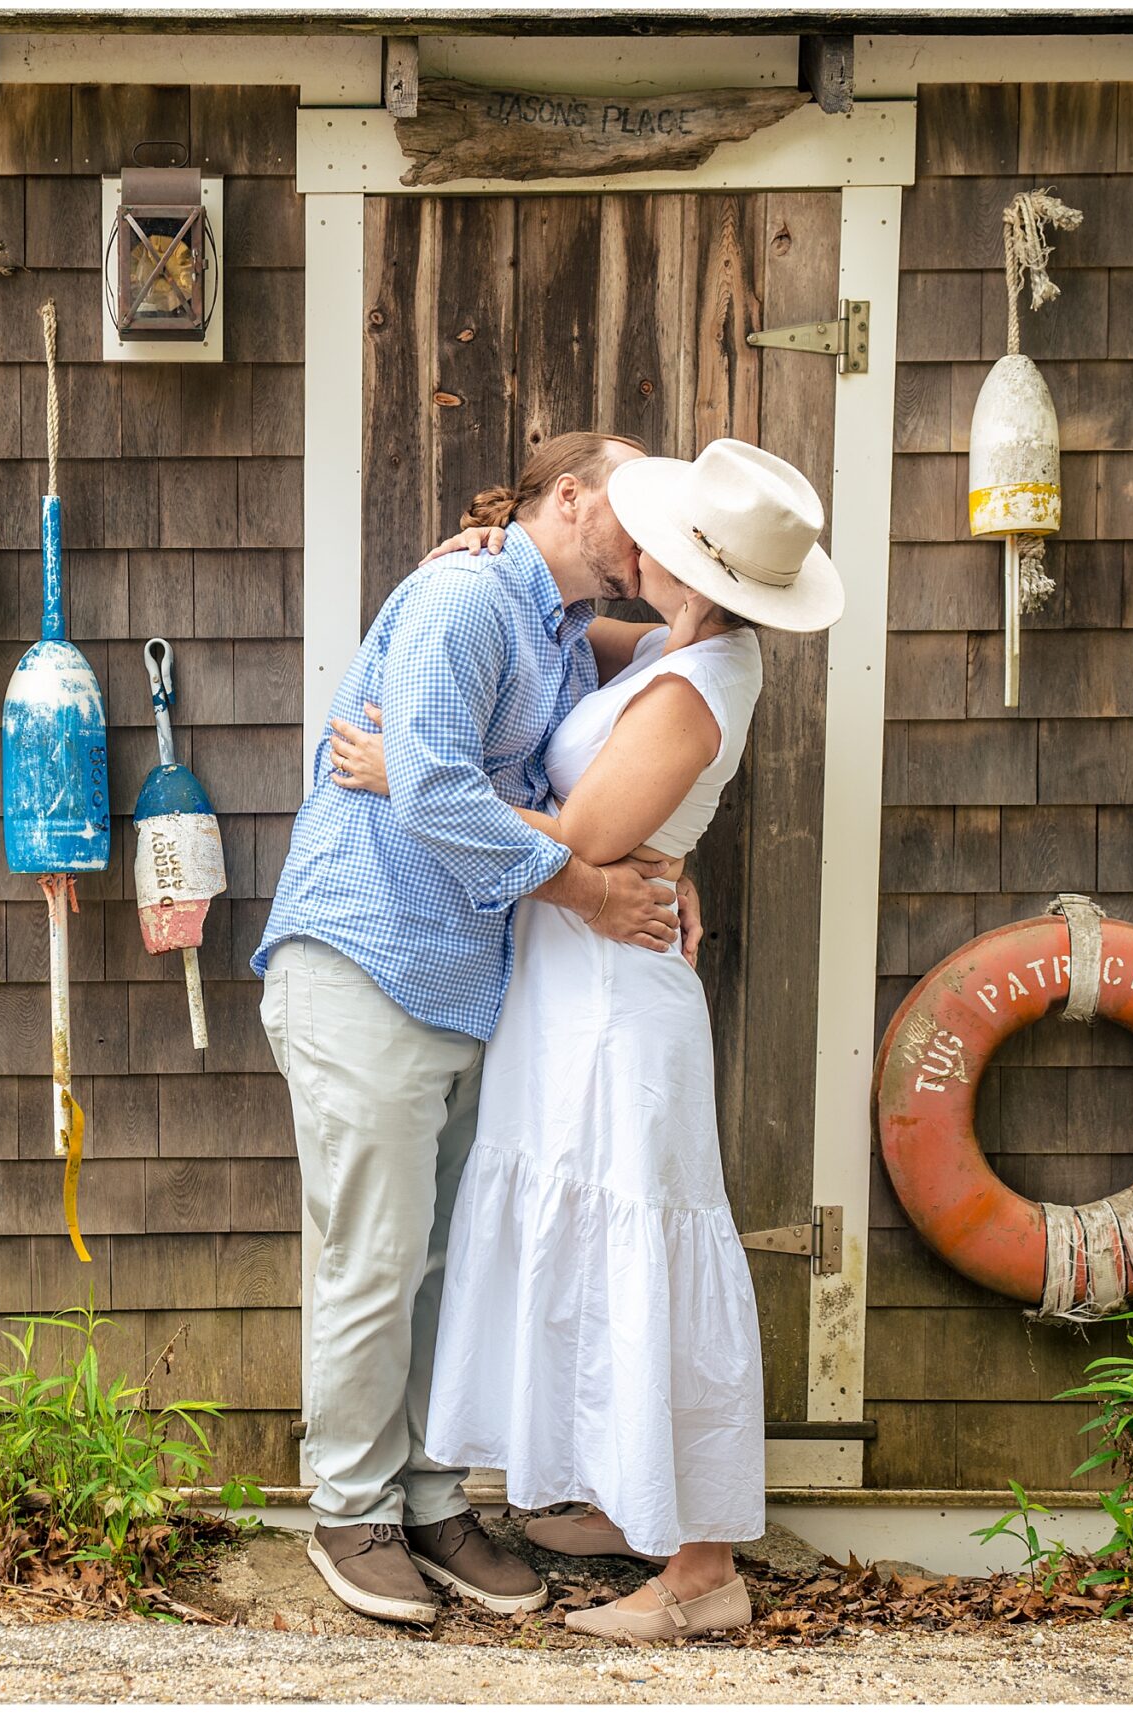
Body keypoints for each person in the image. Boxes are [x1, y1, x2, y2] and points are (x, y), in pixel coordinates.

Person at [326, 439, 845, 1642]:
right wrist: (473, 549)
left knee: (644, 1250)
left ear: (699, 573)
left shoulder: (692, 684)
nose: (636, 541)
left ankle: (701, 1571)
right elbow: (542, 625)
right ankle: (632, 1502)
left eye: (660, 535)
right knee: (588, 1244)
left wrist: (416, 771)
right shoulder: (665, 647)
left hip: (617, 1005)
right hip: (571, 996)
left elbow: (591, 837)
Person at [254, 431, 700, 1627]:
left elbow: (670, 674)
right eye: (632, 507)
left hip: (459, 979)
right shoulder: (463, 597)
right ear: (569, 497)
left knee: (440, 1263)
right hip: (365, 957)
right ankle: (350, 1508)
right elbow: (442, 796)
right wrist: (593, 892)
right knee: (376, 1257)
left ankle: (429, 1494)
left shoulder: (555, 629)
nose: (648, 533)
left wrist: (651, 855)